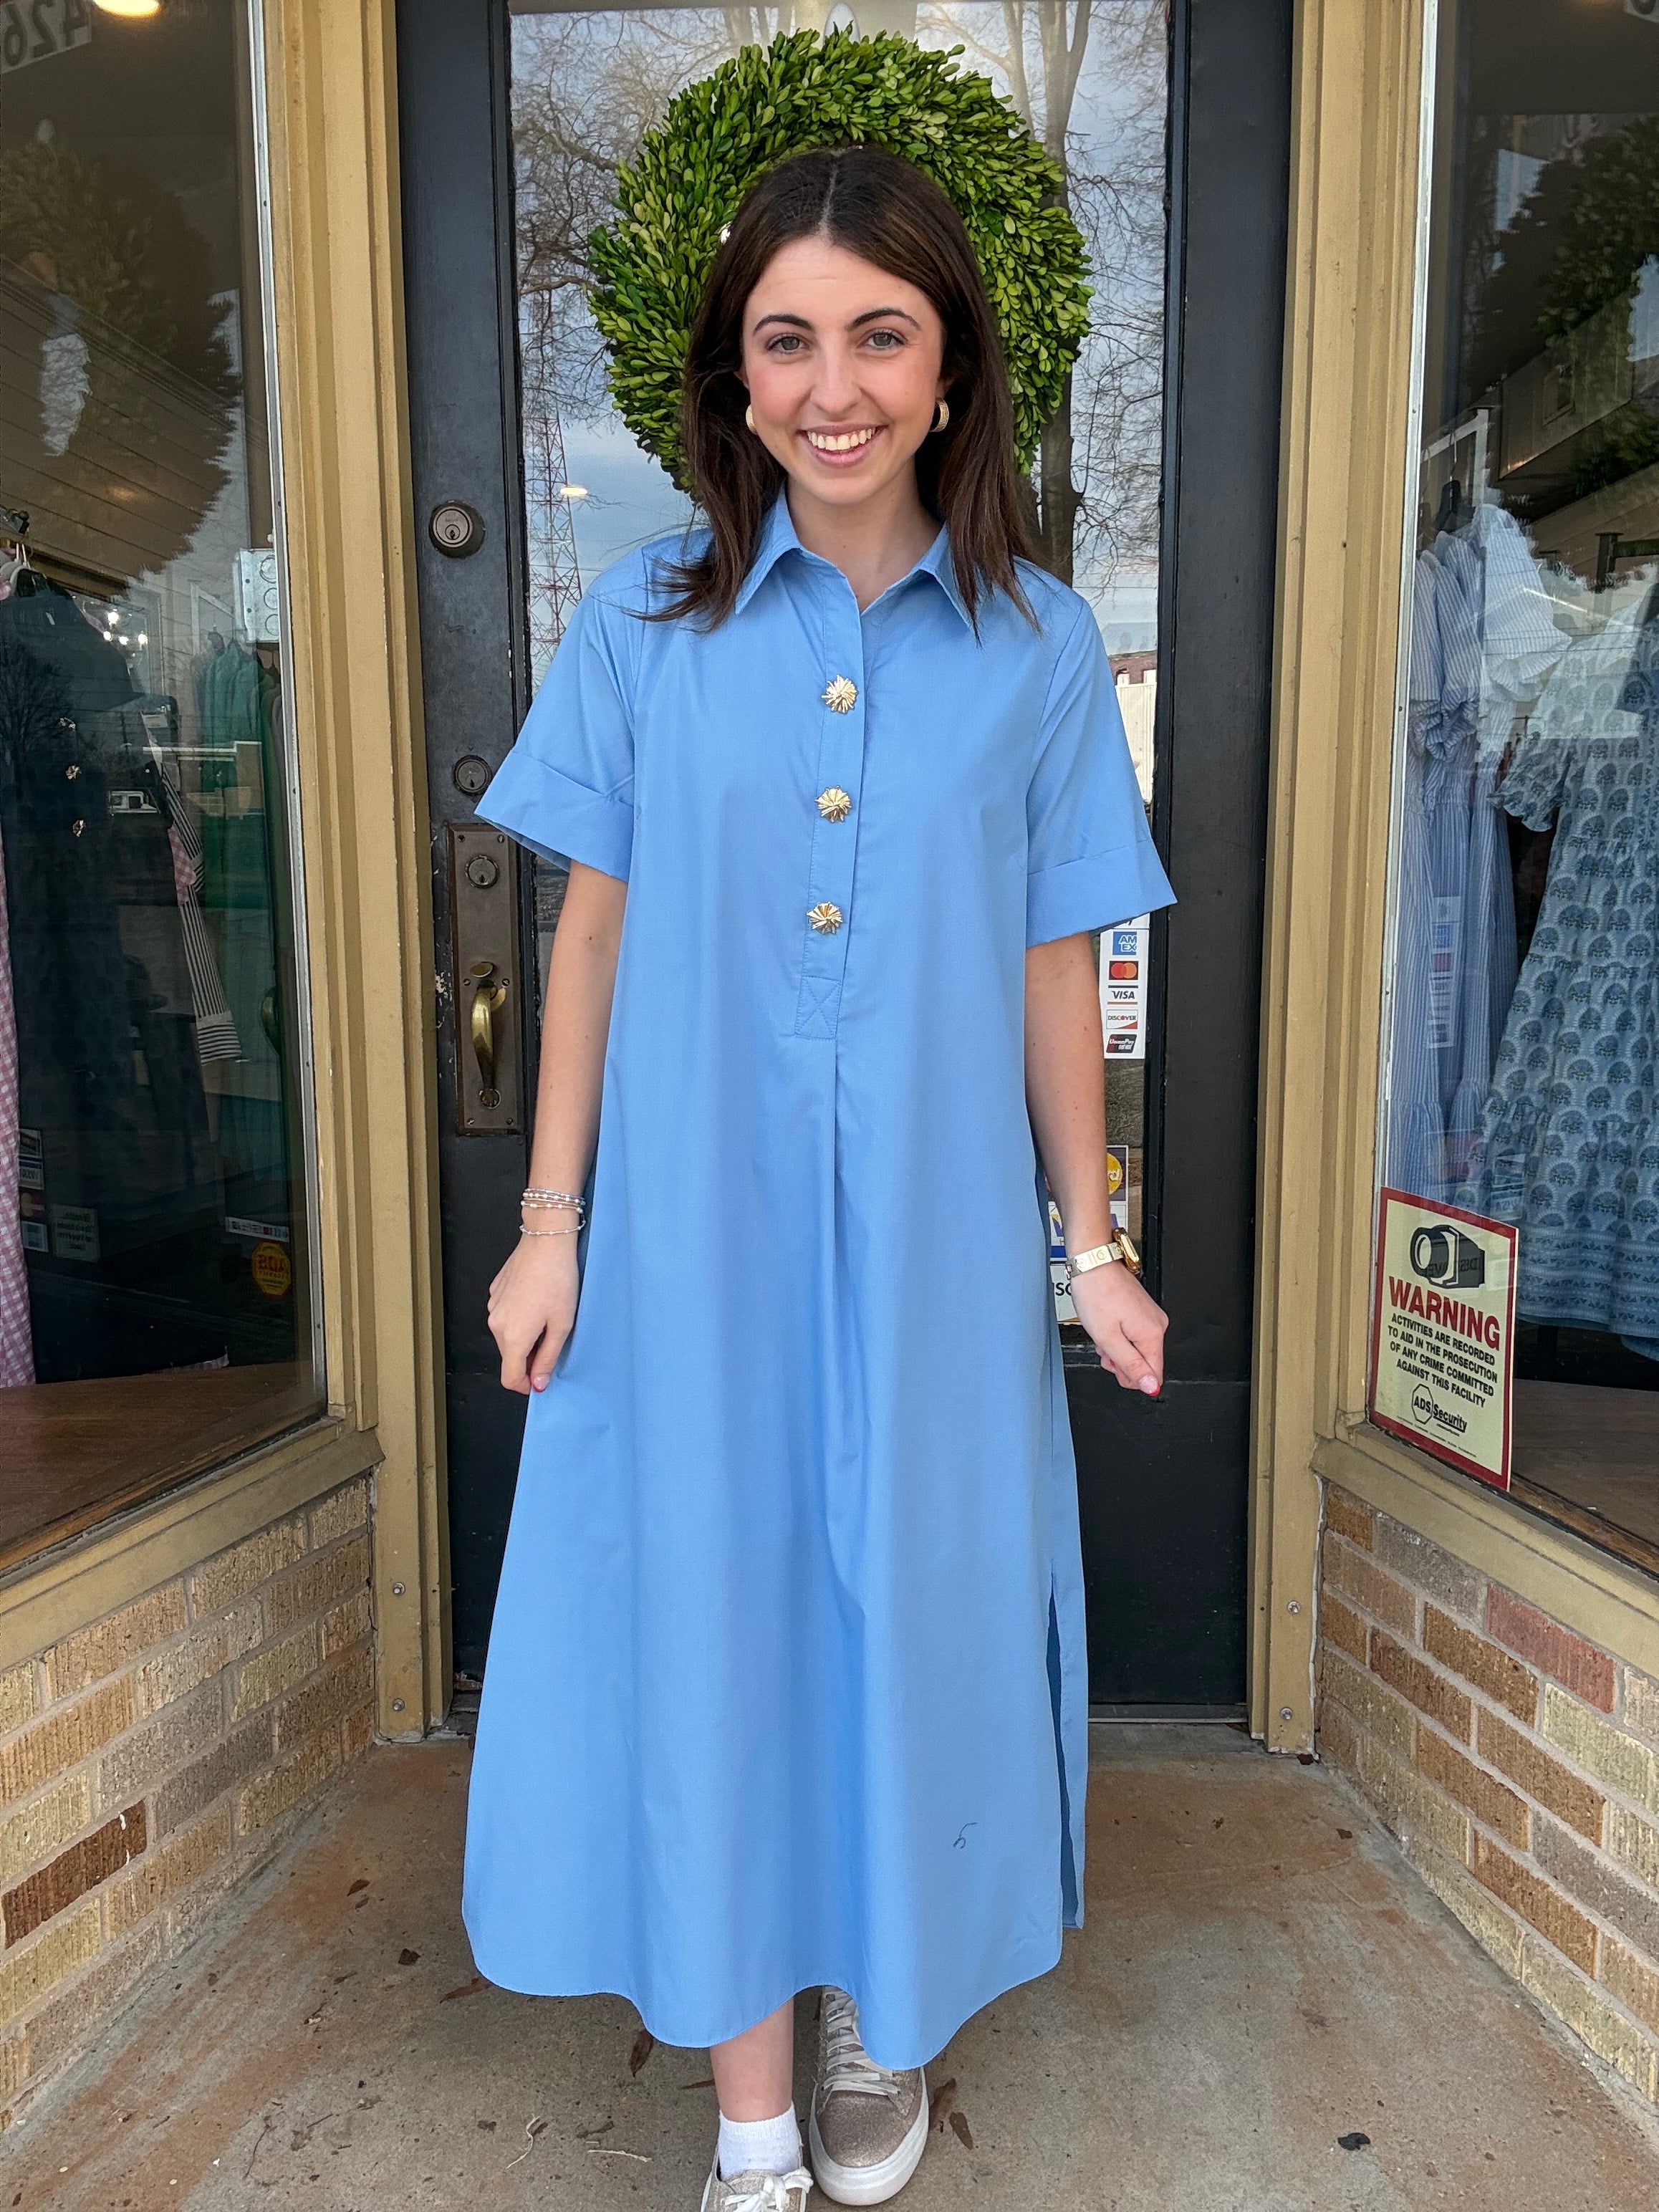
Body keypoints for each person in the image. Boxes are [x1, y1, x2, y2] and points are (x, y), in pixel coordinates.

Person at [463, 143, 1175, 2212]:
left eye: (879, 334)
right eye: (788, 338)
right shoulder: (636, 624)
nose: (832, 383)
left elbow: (1058, 965)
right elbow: (586, 934)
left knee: (914, 1624)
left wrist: (1092, 1247)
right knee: (717, 1627)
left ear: (950, 371)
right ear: (733, 376)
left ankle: (883, 1979)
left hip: (941, 1257)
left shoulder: (1038, 646)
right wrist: (548, 1225)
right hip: (689, 1249)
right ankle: (752, 2121)